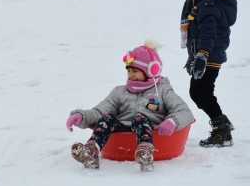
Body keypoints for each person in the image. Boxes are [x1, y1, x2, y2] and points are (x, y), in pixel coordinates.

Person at [66, 40, 194, 172]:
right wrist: (82, 116)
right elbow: (100, 111)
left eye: (135, 71)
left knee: (140, 118)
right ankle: (92, 150)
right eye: (129, 71)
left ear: (151, 71)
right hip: (122, 130)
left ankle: (145, 151)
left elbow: (185, 112)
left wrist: (172, 121)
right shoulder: (119, 92)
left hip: (151, 131)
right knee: (106, 117)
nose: (131, 75)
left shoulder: (162, 91)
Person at [180, 0, 237, 147]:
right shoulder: (201, 5)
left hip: (209, 56)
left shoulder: (209, 6)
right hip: (204, 56)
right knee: (197, 93)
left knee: (202, 93)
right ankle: (222, 125)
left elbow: (208, 33)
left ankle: (222, 130)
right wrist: (193, 58)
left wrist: (202, 56)